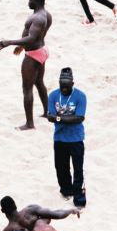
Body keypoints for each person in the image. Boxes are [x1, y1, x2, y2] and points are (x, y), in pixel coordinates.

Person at [0, 0, 52, 130]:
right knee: (39, 83)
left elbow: (32, 37)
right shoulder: (47, 14)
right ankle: (47, 113)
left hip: (33, 55)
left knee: (27, 89)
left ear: (37, 1)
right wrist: (21, 45)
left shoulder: (38, 18)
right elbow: (39, 36)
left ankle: (29, 124)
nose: (28, 1)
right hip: (42, 51)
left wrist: (10, 42)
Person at [46, 67, 87, 207]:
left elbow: (79, 118)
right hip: (59, 138)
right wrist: (66, 118)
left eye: (67, 86)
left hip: (76, 138)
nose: (64, 89)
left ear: (72, 84)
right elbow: (49, 117)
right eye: (61, 86)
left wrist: (58, 118)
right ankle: (66, 190)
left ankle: (78, 196)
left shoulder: (80, 96)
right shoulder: (53, 95)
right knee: (61, 167)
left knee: (78, 168)